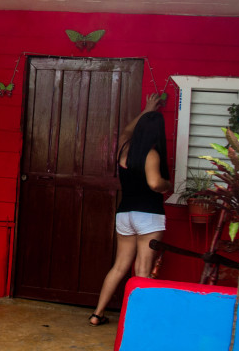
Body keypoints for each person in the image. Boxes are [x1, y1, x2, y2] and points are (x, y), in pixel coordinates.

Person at [88, 93, 172, 327]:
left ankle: (97, 314)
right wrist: (167, 185)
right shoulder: (151, 154)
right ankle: (137, 321)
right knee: (142, 269)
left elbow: (126, 130)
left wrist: (147, 109)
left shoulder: (124, 148)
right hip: (148, 216)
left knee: (119, 266)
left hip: (125, 214)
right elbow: (154, 183)